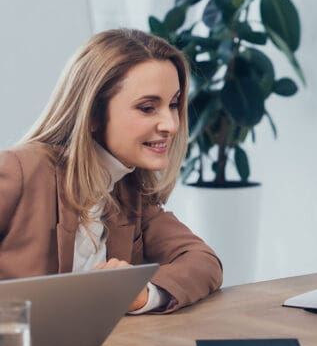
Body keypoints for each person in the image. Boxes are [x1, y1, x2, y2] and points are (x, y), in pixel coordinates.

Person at [0, 28, 222, 313]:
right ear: (92, 114)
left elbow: (203, 261)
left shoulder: (131, 192)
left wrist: (142, 293)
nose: (170, 125)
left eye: (174, 104)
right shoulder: (18, 171)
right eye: (147, 108)